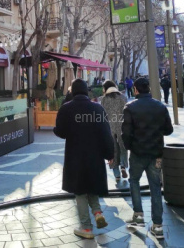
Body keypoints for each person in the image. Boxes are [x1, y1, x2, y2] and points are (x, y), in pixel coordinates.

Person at [54, 79, 115, 240]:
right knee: (92, 186)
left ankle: (86, 227)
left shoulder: (66, 108)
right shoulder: (97, 108)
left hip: (75, 157)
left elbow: (60, 131)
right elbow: (106, 134)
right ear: (87, 91)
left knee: (80, 191)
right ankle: (97, 212)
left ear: (72, 91)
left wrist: (56, 129)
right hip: (95, 156)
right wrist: (110, 154)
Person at [122, 77, 174, 240]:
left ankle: (138, 215)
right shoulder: (160, 106)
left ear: (135, 89)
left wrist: (130, 146)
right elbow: (169, 130)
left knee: (134, 181)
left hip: (138, 153)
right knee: (155, 186)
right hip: (156, 153)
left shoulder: (130, 107)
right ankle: (158, 225)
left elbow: (126, 133)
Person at [100, 80, 128, 182]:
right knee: (123, 147)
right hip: (122, 126)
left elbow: (102, 115)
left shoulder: (104, 99)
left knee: (113, 150)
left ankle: (117, 175)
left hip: (109, 127)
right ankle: (123, 165)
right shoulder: (123, 97)